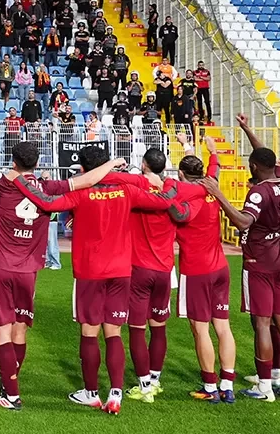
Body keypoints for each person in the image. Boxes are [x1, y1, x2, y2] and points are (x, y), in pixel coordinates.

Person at [0, 120, 121, 411]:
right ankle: (12, 377)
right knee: (19, 329)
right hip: (28, 270)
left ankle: (12, 393)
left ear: (12, 161)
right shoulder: (47, 186)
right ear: (37, 162)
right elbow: (85, 181)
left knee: (2, 331)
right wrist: (113, 163)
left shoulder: (2, 183)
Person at [14, 146, 188, 415]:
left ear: (83, 170)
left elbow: (47, 202)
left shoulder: (80, 192)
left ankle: (91, 393)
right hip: (121, 270)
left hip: (90, 272)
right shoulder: (127, 190)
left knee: (89, 332)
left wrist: (19, 180)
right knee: (114, 332)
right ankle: (116, 393)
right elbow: (164, 201)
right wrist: (170, 184)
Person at [199, 139, 280, 402]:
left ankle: (265, 387)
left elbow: (244, 223)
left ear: (254, 166)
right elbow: (268, 156)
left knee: (263, 323)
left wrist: (219, 194)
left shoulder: (259, 192)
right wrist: (246, 130)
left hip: (260, 263)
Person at [167, 136, 238, 403]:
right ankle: (227, 384)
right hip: (220, 266)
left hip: (195, 270)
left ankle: (210, 387)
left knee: (201, 329)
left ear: (181, 173)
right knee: (223, 327)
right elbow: (212, 170)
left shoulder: (185, 194)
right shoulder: (212, 187)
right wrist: (210, 151)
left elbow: (173, 192)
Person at [119, 148, 180, 403]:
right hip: (165, 269)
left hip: (139, 268)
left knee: (136, 329)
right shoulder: (173, 190)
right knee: (159, 327)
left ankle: (144, 386)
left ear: (143, 164)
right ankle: (155, 378)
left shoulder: (138, 190)